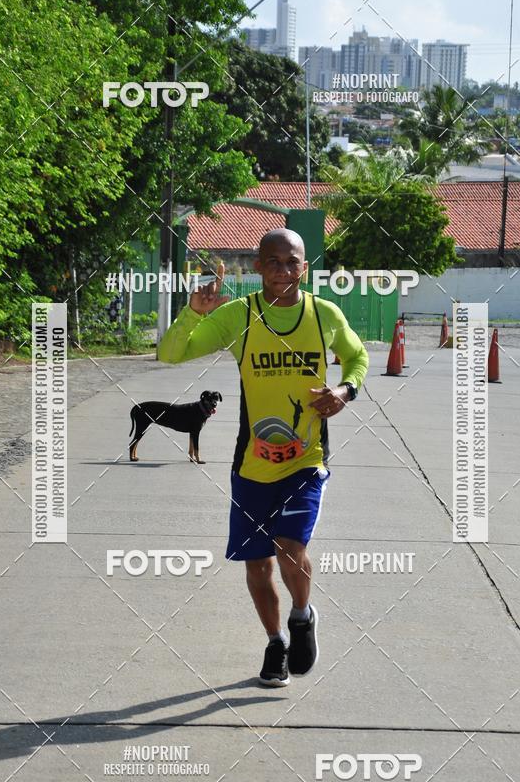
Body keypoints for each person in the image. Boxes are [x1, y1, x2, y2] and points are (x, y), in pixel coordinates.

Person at [158, 229, 369, 686]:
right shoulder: (239, 315)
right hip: (252, 464)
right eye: (273, 261)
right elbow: (170, 354)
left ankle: (301, 615)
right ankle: (276, 643)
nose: (283, 270)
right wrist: (193, 313)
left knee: (290, 549)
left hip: (306, 459)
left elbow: (357, 357)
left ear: (304, 268)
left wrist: (344, 390)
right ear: (258, 266)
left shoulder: (325, 315)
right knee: (258, 564)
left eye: (292, 262)